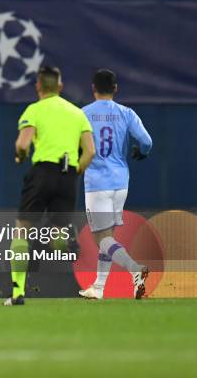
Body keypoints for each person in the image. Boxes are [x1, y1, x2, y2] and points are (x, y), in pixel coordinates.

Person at [6, 66, 95, 306]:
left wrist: (19, 155)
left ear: (38, 87)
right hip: (68, 177)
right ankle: (63, 237)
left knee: (22, 230)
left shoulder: (34, 110)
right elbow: (90, 151)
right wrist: (74, 172)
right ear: (60, 87)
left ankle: (17, 293)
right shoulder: (77, 113)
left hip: (42, 173)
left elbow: (23, 144)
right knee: (57, 236)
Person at [79, 69, 152, 300]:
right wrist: (142, 152)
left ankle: (135, 270)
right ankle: (99, 288)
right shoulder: (126, 113)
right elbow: (147, 141)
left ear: (93, 88)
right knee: (108, 237)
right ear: (116, 88)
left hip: (97, 182)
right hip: (121, 181)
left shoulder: (84, 114)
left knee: (101, 238)